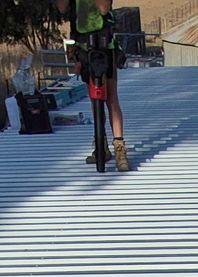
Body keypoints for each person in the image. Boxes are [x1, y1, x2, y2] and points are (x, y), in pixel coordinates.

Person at [57, 0, 129, 171]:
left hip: (105, 46)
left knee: (111, 99)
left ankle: (119, 148)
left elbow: (104, 9)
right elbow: (62, 8)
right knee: (94, 98)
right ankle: (101, 146)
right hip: (82, 47)